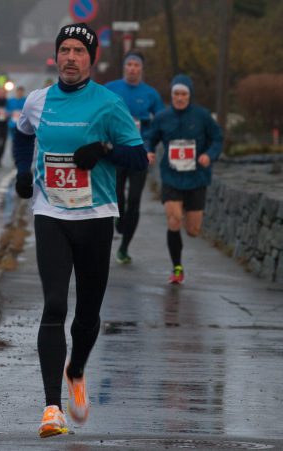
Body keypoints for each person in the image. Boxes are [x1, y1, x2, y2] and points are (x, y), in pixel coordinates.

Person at [12, 22, 149, 438]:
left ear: (91, 59)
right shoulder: (37, 101)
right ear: (56, 57)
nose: (71, 57)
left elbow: (139, 158)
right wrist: (22, 171)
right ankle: (52, 408)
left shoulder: (108, 104)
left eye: (79, 51)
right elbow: (21, 134)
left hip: (95, 217)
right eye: (65, 50)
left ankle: (77, 369)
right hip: (51, 214)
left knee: (87, 314)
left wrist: (106, 149)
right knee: (55, 305)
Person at [144, 74, 222, 284]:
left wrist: (209, 155)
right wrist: (148, 151)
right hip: (171, 176)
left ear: (190, 95)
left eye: (183, 94)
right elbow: (149, 138)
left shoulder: (202, 116)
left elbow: (217, 138)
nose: (179, 98)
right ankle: (177, 268)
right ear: (171, 96)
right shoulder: (162, 117)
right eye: (176, 94)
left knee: (193, 230)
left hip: (197, 177)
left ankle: (189, 216)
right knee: (174, 220)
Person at [105, 50, 164, 264]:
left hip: (140, 154)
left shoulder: (151, 94)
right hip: (118, 151)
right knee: (118, 197)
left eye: (136, 65)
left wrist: (152, 146)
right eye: (129, 64)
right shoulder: (111, 89)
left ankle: (124, 247)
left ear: (141, 69)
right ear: (124, 67)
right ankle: (118, 219)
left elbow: (160, 124)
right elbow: (97, 114)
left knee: (135, 201)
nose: (132, 68)